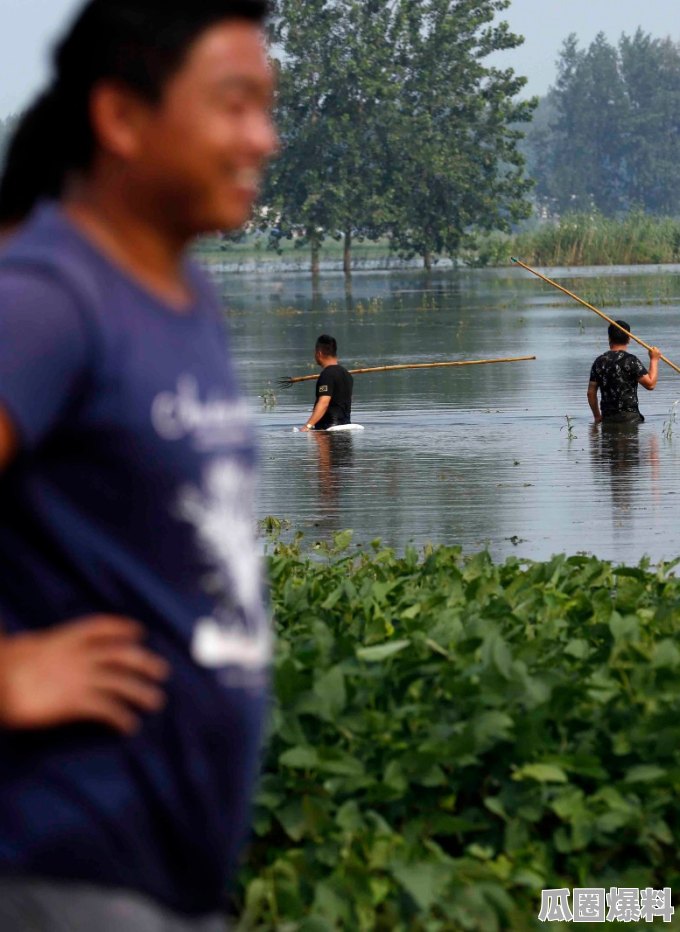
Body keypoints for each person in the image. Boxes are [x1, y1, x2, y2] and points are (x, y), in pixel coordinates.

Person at [0, 1, 277, 929]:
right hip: (57, 871)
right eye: (233, 105)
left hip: (170, 886)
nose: (263, 139)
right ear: (120, 118)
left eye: (267, 106)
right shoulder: (46, 302)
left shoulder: (184, 295)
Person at [587, 319, 661, 424]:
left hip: (608, 419)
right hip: (630, 418)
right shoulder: (631, 361)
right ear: (629, 339)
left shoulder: (599, 362)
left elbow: (591, 393)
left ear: (609, 338)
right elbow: (651, 384)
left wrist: (597, 416)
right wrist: (654, 359)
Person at [300, 334, 354, 431]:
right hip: (346, 428)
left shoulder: (327, 374)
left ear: (319, 353)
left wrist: (307, 426)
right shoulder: (346, 374)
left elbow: (324, 402)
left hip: (329, 430)